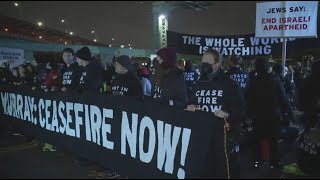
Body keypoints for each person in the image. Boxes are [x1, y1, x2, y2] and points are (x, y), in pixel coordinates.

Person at [186, 49, 245, 178]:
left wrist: (228, 115)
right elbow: (191, 103)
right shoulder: (198, 84)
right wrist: (190, 107)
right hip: (202, 139)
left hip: (223, 141)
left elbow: (241, 111)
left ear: (218, 64)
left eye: (208, 62)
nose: (204, 65)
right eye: (203, 62)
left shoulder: (230, 85)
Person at [245, 57, 291, 169]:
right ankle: (275, 162)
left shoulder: (253, 81)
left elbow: (247, 99)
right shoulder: (275, 80)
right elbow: (283, 98)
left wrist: (248, 115)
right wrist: (288, 113)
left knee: (257, 140)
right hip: (273, 115)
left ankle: (257, 161)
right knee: (273, 141)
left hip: (258, 116)